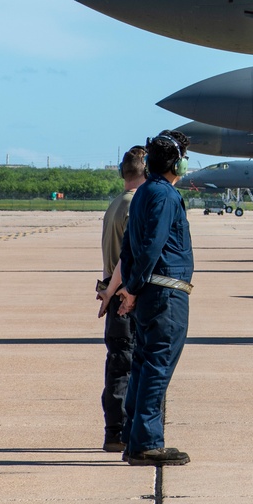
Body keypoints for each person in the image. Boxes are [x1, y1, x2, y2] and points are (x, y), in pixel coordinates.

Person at [114, 130, 194, 466]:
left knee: (145, 364)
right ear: (177, 162)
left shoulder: (145, 192)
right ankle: (146, 441)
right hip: (166, 294)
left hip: (149, 292)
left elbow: (130, 247)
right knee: (157, 366)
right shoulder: (164, 196)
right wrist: (133, 287)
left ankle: (135, 437)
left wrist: (131, 287)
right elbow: (151, 246)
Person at [95, 145, 145, 451]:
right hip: (127, 295)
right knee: (128, 364)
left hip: (113, 295)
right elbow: (129, 257)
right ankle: (124, 430)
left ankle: (113, 430)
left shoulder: (115, 204)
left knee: (116, 365)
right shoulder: (137, 206)